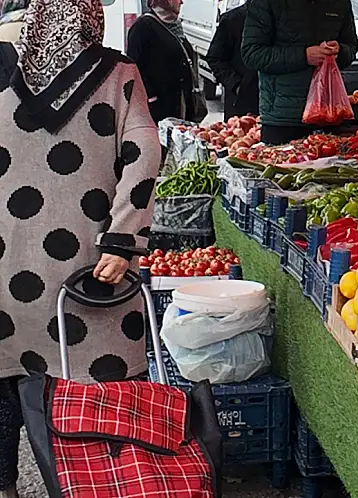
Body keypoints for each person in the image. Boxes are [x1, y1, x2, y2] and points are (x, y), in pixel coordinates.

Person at [0, 0, 160, 496]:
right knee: (99, 383)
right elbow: (144, 153)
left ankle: (5, 484)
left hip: (8, 266)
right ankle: (93, 480)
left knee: (6, 381)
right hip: (90, 270)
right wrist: (123, 239)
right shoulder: (118, 75)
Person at [241, 0, 358, 146]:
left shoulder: (340, 3)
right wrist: (304, 56)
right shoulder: (266, 3)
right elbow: (252, 53)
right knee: (281, 165)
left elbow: (351, 46)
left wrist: (339, 51)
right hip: (283, 118)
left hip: (329, 113)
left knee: (332, 166)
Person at [127, 0, 203, 124]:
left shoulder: (175, 26)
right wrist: (151, 98)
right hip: (160, 111)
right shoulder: (142, 27)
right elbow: (134, 67)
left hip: (181, 105)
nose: (182, 2)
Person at [205, 3, 259, 120]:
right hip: (241, 106)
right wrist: (237, 85)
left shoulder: (282, 21)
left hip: (275, 107)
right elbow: (215, 58)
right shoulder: (233, 20)